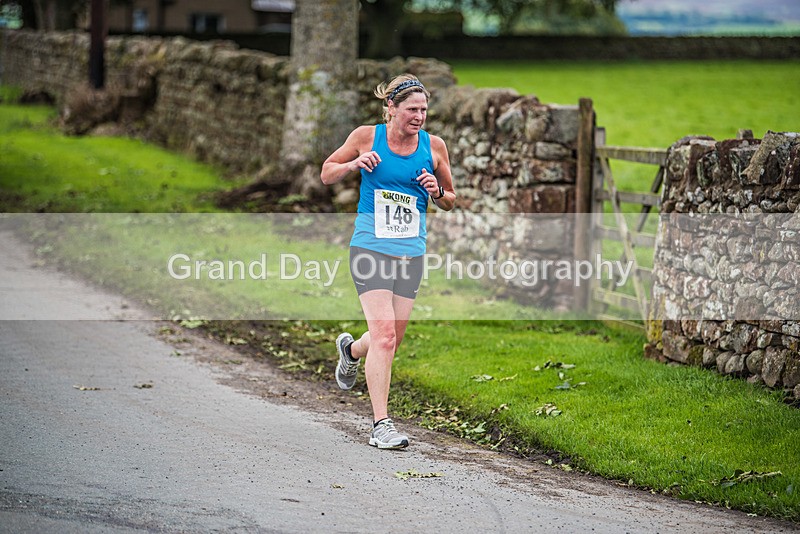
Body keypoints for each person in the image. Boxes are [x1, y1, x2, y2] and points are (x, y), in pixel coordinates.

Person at [320, 74, 455, 449]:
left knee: (390, 340)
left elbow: (451, 199)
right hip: (370, 247)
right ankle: (381, 425)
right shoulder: (367, 137)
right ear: (391, 109)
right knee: (384, 335)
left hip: (410, 252)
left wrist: (438, 190)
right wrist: (354, 165)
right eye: (412, 109)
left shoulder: (435, 146)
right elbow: (327, 171)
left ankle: (349, 351)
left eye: (424, 110)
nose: (419, 116)